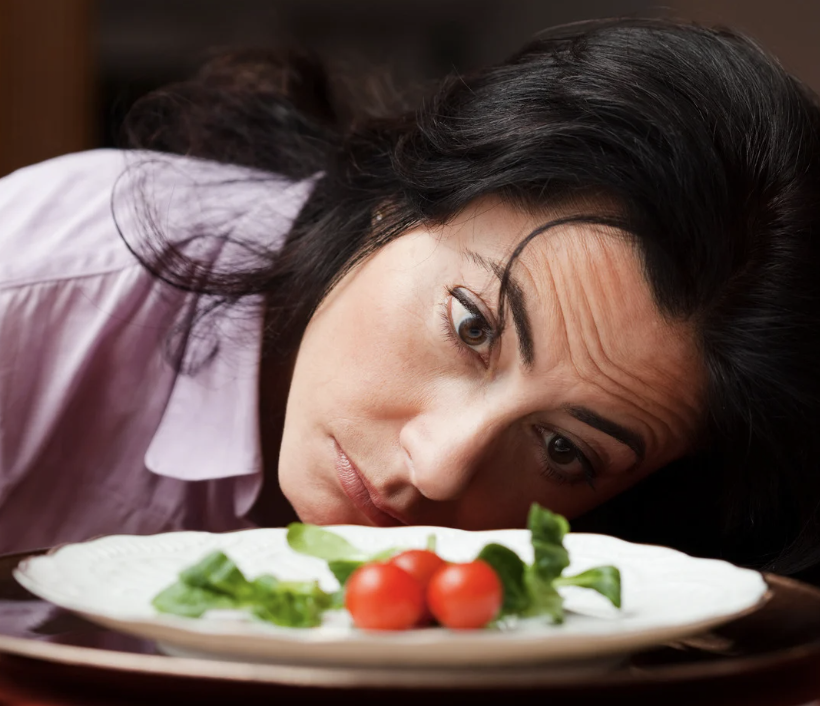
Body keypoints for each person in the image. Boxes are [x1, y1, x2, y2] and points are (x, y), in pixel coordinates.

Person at [0, 18, 818, 577]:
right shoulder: (38, 287)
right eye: (473, 326)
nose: (437, 467)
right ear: (405, 189)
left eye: (564, 450)